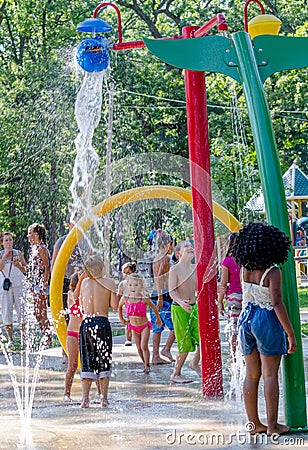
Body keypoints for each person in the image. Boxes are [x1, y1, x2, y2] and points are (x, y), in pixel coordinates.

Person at [232, 222, 297, 436]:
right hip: (265, 319)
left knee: (251, 375)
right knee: (270, 374)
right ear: (271, 247)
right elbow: (277, 303)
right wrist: (290, 333)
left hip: (245, 320)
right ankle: (272, 425)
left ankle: (254, 425)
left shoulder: (244, 269)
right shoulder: (272, 272)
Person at [79, 254, 117, 408]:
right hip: (102, 323)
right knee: (103, 361)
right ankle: (104, 398)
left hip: (86, 323)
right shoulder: (109, 283)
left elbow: (82, 304)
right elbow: (114, 305)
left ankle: (85, 399)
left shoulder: (84, 283)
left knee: (87, 361)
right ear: (102, 268)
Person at [169, 241, 201, 384]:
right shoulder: (175, 270)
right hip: (179, 308)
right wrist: (181, 302)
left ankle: (194, 363)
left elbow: (200, 287)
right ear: (178, 253)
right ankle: (176, 373)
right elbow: (171, 291)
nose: (190, 248)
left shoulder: (195, 268)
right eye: (186, 246)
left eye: (191, 245)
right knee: (184, 343)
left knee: (203, 339)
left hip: (194, 307)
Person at [118, 273, 162, 374]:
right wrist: (122, 319)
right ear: (127, 286)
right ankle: (144, 363)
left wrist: (158, 319)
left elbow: (154, 307)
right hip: (133, 327)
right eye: (130, 285)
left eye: (136, 285)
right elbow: (119, 307)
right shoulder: (126, 298)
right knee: (138, 348)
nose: (133, 287)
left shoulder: (143, 298)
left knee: (143, 346)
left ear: (141, 286)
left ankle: (147, 365)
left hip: (144, 326)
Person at [151, 234, 175, 364]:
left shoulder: (156, 258)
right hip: (163, 297)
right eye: (172, 244)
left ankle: (155, 356)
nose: (173, 247)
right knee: (176, 327)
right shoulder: (165, 259)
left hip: (155, 295)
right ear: (167, 245)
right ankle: (166, 349)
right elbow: (159, 277)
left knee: (157, 327)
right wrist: (160, 297)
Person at [217, 232, 242, 361]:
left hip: (233, 297)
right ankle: (245, 354)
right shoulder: (245, 259)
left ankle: (234, 356)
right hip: (246, 296)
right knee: (244, 325)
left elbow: (223, 283)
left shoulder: (227, 261)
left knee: (233, 327)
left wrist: (220, 301)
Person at [27, 223, 52, 345]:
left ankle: (48, 337)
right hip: (35, 284)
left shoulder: (42, 248)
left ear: (36, 234)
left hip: (41, 284)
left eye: (30, 233)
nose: (28, 235)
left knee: (41, 312)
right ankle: (45, 334)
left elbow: (47, 266)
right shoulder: (35, 248)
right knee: (36, 313)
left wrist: (44, 283)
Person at [0, 232, 27, 344]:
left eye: (10, 240)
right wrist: (5, 256)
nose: (9, 242)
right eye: (6, 240)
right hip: (5, 287)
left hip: (18, 285)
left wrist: (18, 265)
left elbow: (26, 269)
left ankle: (24, 338)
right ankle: (10, 339)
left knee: (22, 311)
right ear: (2, 243)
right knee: (7, 311)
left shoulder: (18, 253)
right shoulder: (1, 254)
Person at [63, 271, 84, 402]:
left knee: (89, 364)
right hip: (72, 333)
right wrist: (81, 279)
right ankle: (66, 393)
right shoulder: (71, 295)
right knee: (72, 365)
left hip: (83, 333)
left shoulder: (85, 295)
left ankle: (98, 392)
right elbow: (75, 298)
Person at [117, 261, 137, 346]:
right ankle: (128, 339)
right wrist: (118, 306)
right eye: (124, 273)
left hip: (136, 305)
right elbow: (119, 295)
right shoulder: (122, 284)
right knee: (128, 323)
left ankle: (137, 337)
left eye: (128, 273)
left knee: (136, 322)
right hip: (126, 307)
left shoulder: (137, 283)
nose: (126, 275)